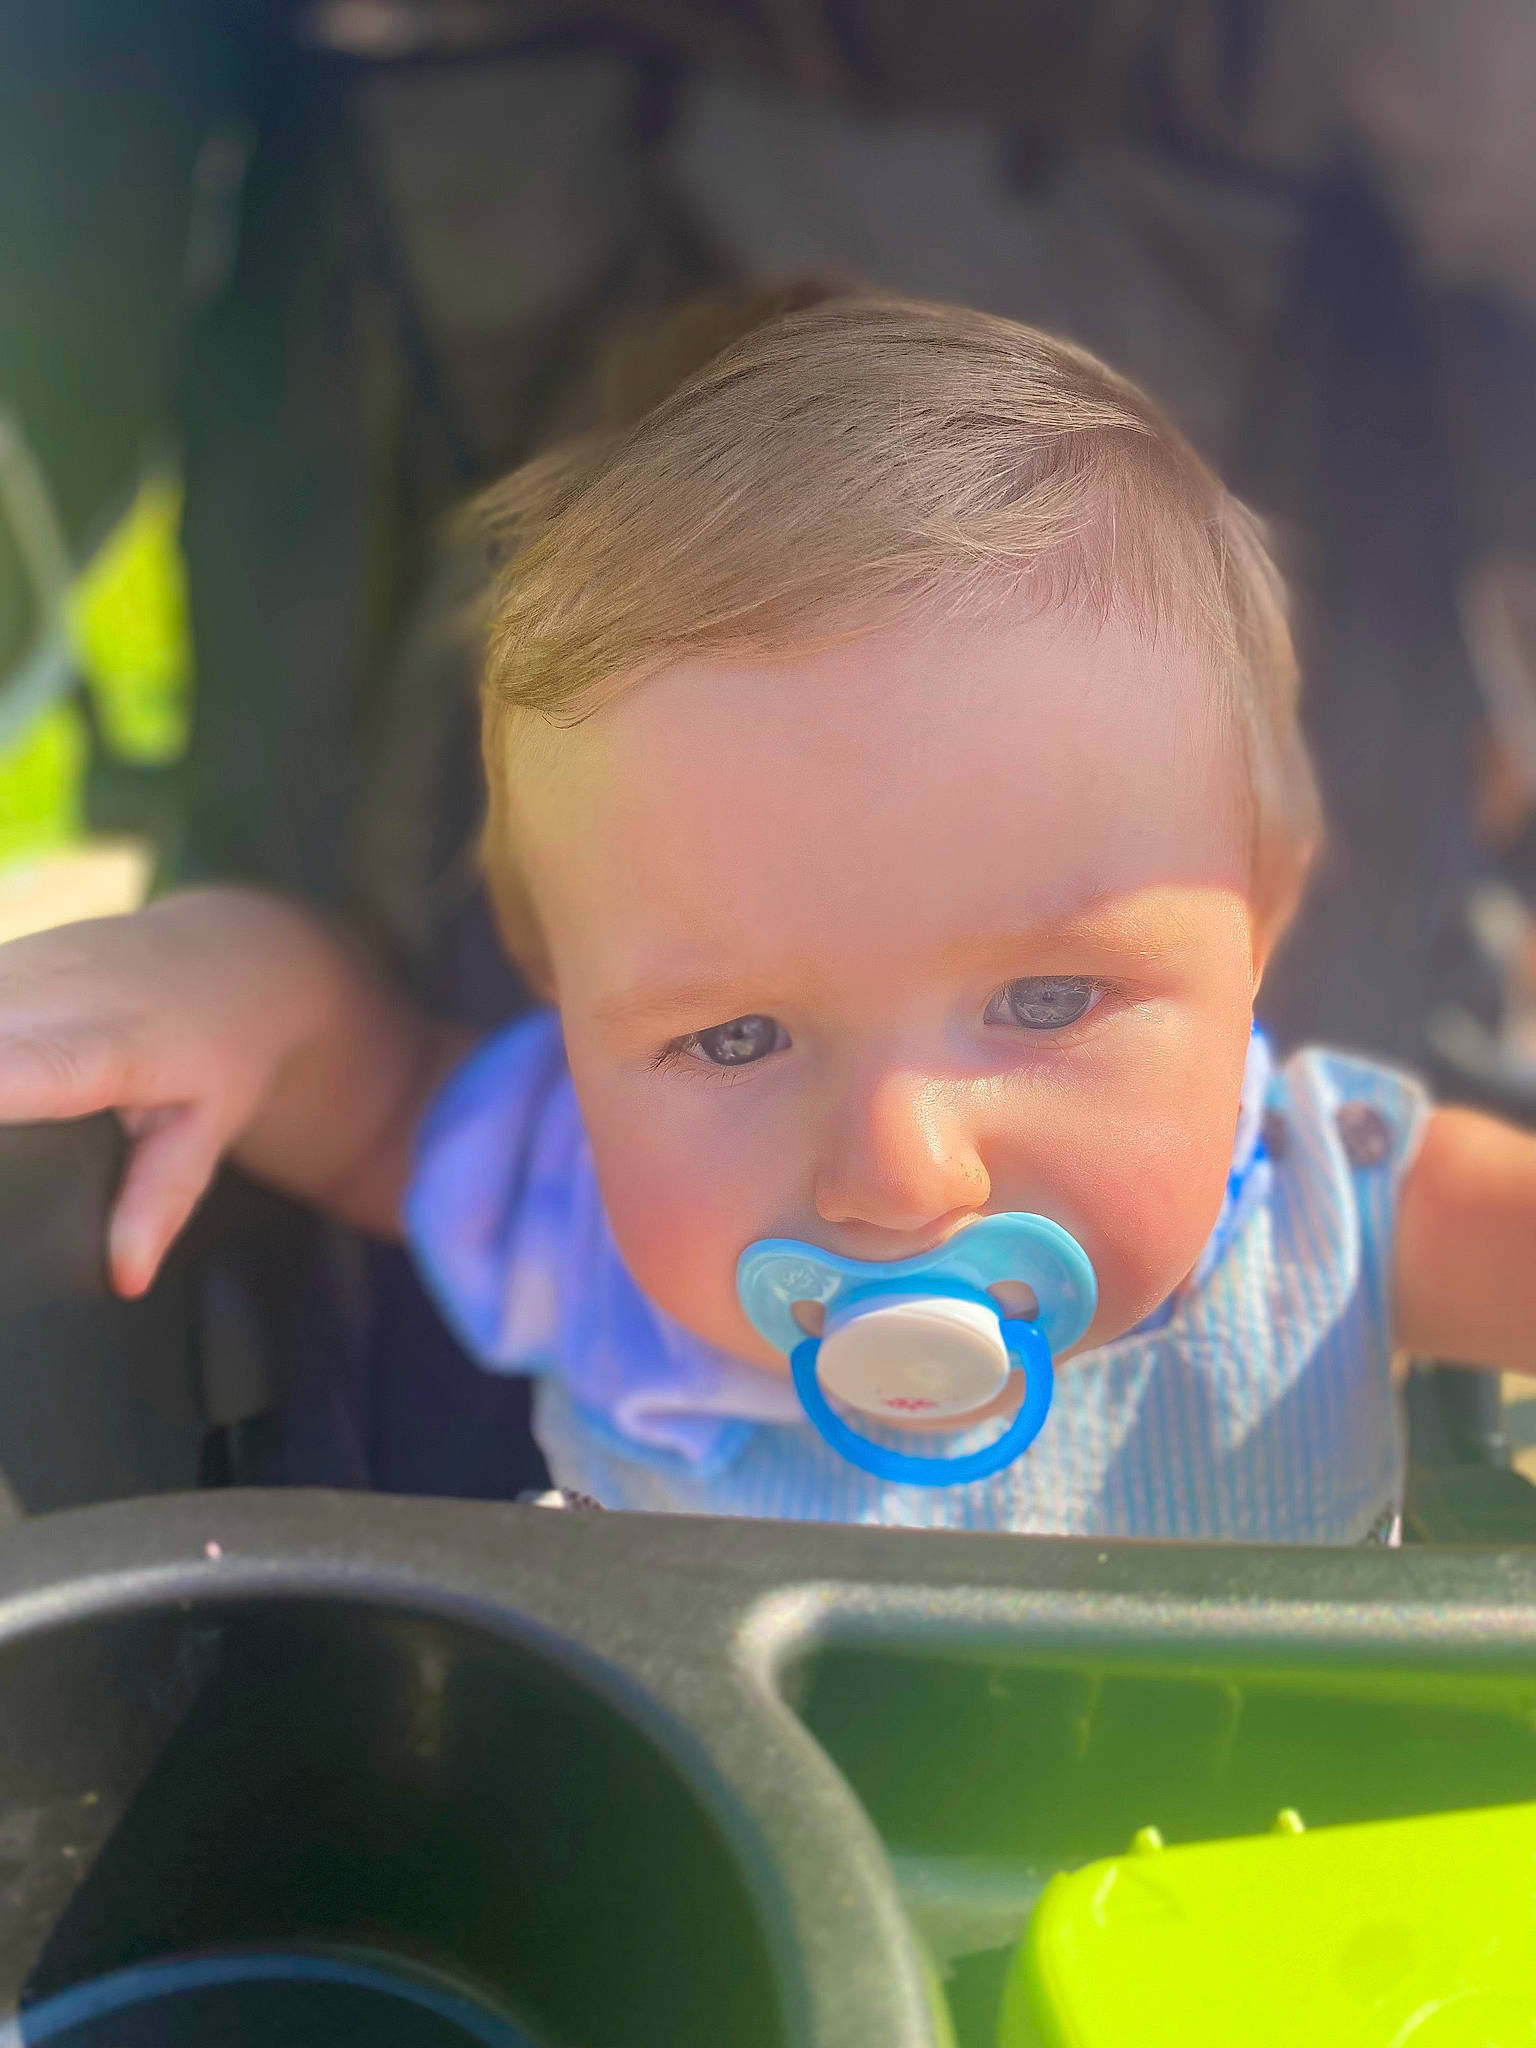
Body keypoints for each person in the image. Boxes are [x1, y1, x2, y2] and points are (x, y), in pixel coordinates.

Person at [3, 286, 1533, 1541]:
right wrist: (219, 974)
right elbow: (374, 1098)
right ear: (569, 1010)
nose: (897, 1173)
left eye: (1050, 1001)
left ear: (1257, 926)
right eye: (732, 1035)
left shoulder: (1345, 1221)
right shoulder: (584, 1210)